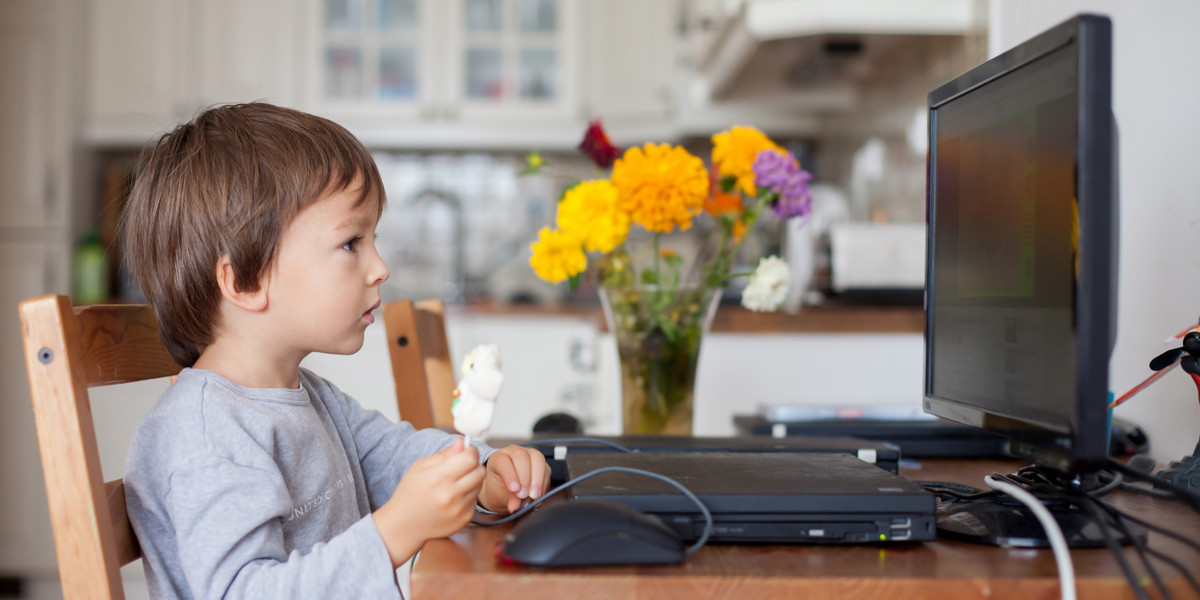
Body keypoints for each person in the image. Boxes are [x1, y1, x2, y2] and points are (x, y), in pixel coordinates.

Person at [120, 102, 550, 599]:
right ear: (244, 278)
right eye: (351, 243)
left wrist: (487, 480)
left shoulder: (313, 399)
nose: (380, 267)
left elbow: (403, 459)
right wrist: (393, 532)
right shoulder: (205, 434)